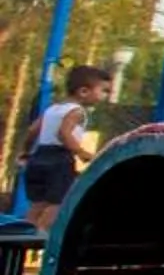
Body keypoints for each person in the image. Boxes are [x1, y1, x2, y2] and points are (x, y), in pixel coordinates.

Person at [21, 65, 113, 233]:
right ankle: (42, 237)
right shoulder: (77, 111)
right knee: (59, 202)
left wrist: (26, 153)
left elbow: (32, 131)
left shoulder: (52, 109)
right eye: (103, 91)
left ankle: (22, 237)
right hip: (59, 159)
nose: (104, 96)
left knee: (38, 205)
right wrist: (82, 153)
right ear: (83, 91)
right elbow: (63, 133)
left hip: (39, 156)